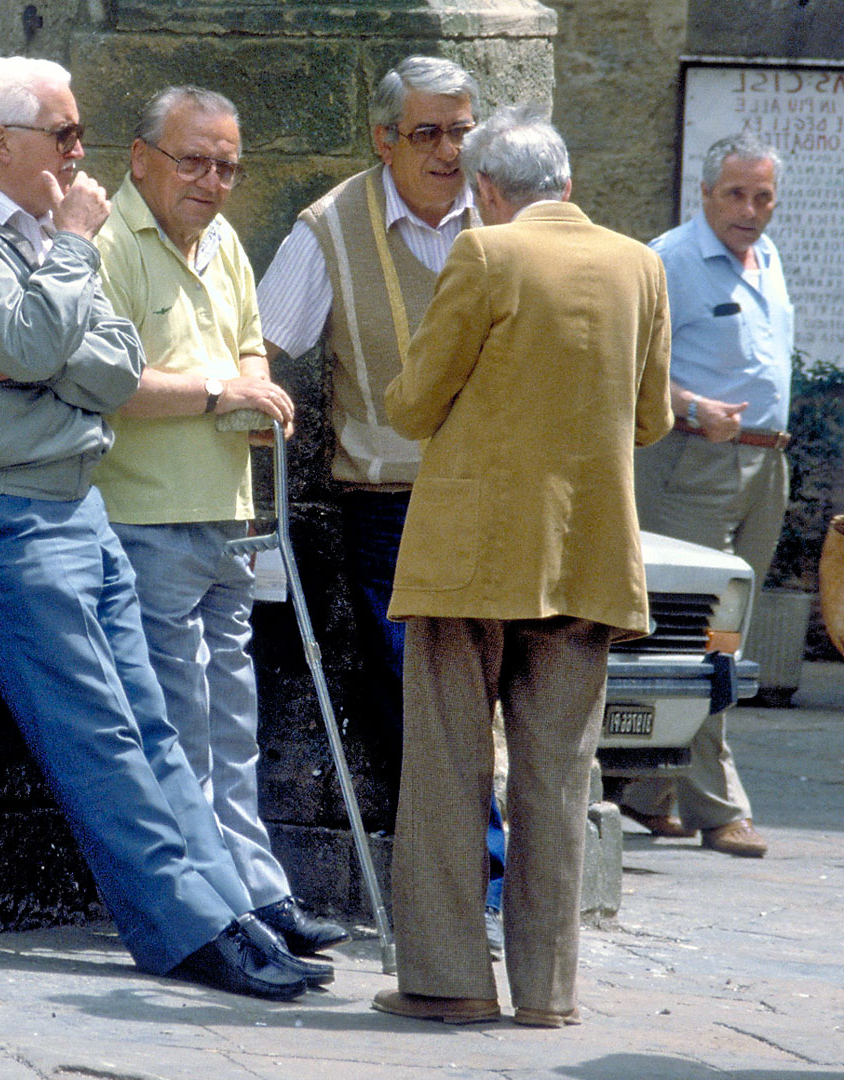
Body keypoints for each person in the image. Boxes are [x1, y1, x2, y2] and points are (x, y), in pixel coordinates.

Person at [0, 55, 327, 1003]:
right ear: (1, 145)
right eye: (67, 134)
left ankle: (230, 909)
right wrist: (67, 271)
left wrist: (30, 351)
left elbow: (114, 362)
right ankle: (190, 932)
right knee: (104, 736)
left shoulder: (43, 238)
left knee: (155, 729)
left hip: (75, 500)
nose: (81, 154)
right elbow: (46, 346)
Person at [368, 106, 671, 1028]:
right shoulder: (641, 265)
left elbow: (415, 404)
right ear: (568, 183)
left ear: (486, 192)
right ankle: (547, 993)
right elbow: (650, 417)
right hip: (587, 554)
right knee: (557, 778)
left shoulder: (486, 256)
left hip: (473, 560)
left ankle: (450, 979)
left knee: (450, 769)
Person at [89, 85, 349, 958]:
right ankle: (209, 900)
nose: (211, 180)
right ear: (140, 157)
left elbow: (248, 341)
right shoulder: (107, 243)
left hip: (231, 510)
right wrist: (217, 392)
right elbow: (106, 382)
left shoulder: (224, 239)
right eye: (192, 160)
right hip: (146, 513)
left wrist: (254, 389)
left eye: (227, 166)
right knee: (177, 719)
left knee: (233, 719)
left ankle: (258, 891)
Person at [256, 55, 508, 954]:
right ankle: (472, 886)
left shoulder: (507, 209)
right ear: (385, 139)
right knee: (419, 696)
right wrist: (247, 401)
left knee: (512, 691)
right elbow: (261, 342)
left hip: (505, 500)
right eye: (429, 133)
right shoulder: (330, 228)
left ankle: (491, 882)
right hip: (393, 506)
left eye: (462, 129)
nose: (449, 151)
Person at [617, 133, 794, 859]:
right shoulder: (670, 260)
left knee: (727, 637)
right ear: (705, 192)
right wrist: (692, 409)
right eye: (736, 194)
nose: (749, 210)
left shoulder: (769, 258)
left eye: (762, 198)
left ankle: (646, 788)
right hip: (690, 463)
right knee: (703, 638)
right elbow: (626, 367)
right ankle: (720, 808)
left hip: (763, 470)